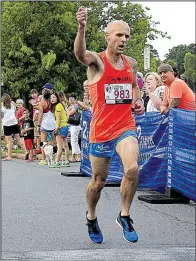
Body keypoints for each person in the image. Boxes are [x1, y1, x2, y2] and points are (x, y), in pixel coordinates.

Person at [74, 7, 144, 243]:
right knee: (98, 182)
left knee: (132, 168)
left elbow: (135, 86)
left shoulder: (131, 63)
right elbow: (80, 54)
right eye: (119, 35)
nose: (124, 40)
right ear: (108, 37)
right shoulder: (97, 62)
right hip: (101, 131)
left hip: (125, 126)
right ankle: (91, 216)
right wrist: (81, 28)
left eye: (126, 36)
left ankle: (124, 215)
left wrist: (137, 100)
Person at [1, 94, 26, 161]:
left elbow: (1, 116)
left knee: (9, 141)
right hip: (14, 124)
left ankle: (9, 156)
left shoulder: (2, 107)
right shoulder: (13, 105)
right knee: (19, 139)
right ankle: (26, 153)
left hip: (6, 125)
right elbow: (15, 113)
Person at [49, 92, 70, 168]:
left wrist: (56, 128)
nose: (52, 99)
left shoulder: (58, 106)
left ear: (57, 98)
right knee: (66, 145)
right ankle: (66, 161)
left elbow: (58, 119)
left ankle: (56, 161)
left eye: (54, 97)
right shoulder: (61, 105)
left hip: (60, 127)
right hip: (65, 126)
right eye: (51, 98)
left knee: (59, 146)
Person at [37, 88, 56, 165]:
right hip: (52, 122)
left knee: (43, 141)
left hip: (45, 123)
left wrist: (38, 124)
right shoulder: (51, 102)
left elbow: (41, 114)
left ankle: (44, 159)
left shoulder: (42, 103)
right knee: (53, 141)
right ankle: (54, 157)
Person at [67, 93, 81, 162]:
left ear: (75, 99)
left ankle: (73, 156)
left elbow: (70, 113)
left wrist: (66, 111)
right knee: (74, 141)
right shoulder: (69, 106)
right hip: (70, 125)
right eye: (70, 98)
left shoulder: (76, 106)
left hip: (75, 125)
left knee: (73, 141)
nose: (71, 100)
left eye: (72, 98)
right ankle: (78, 156)